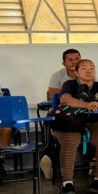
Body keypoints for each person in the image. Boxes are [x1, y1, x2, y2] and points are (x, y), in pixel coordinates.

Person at [55, 59, 98, 194]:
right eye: (84, 68)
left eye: (92, 68)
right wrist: (87, 105)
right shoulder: (69, 84)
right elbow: (65, 99)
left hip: (95, 122)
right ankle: (67, 182)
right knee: (70, 140)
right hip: (72, 122)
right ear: (76, 73)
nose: (89, 71)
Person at [42, 49, 82, 179]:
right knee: (51, 123)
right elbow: (51, 95)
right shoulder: (57, 76)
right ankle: (48, 159)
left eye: (77, 59)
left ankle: (93, 160)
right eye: (70, 60)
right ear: (63, 63)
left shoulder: (87, 73)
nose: (74, 62)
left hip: (81, 112)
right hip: (63, 113)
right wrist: (69, 92)